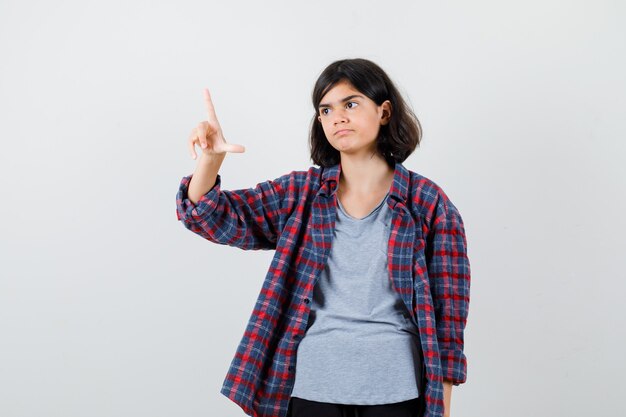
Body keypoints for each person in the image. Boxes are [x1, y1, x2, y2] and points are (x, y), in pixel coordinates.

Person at [176, 58, 471, 417]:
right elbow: (210, 216)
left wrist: (442, 408)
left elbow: (448, 318)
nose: (337, 117)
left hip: (396, 392)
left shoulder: (428, 203)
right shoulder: (301, 193)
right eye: (326, 109)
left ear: (384, 111)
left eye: (351, 104)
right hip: (312, 389)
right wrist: (209, 162)